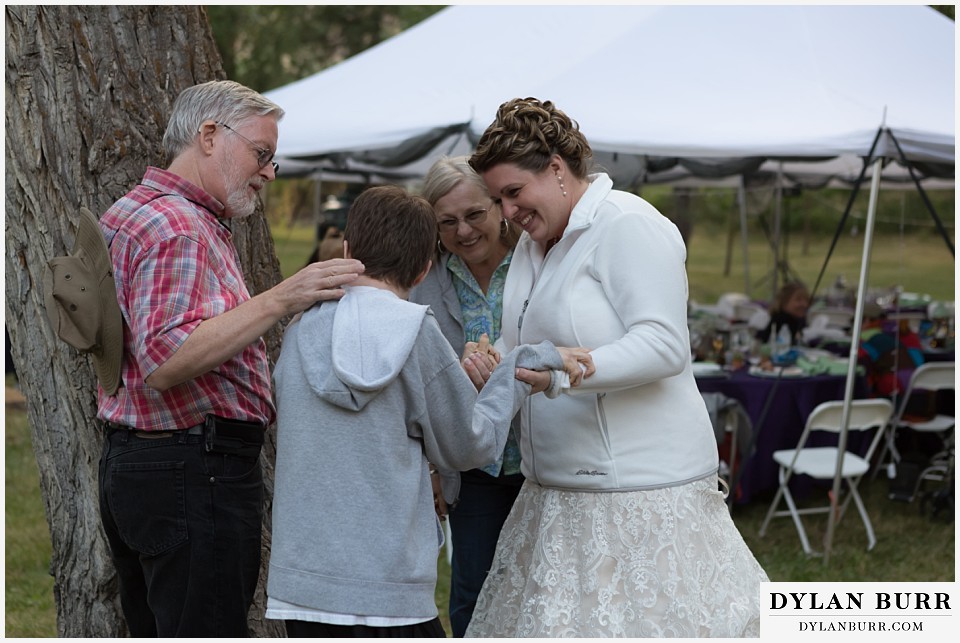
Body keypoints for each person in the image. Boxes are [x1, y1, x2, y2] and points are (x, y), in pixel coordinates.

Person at [464, 97, 769, 637]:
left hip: (638, 493)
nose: (507, 212)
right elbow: (527, 348)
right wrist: (494, 364)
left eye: (514, 193)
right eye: (498, 199)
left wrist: (563, 374)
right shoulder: (534, 250)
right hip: (553, 492)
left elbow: (663, 343)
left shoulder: (627, 224)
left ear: (556, 169)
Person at [96, 79, 365, 637]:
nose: (270, 172)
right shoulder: (180, 227)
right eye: (262, 154)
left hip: (152, 466)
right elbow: (166, 358)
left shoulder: (138, 209)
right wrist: (282, 298)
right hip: (191, 470)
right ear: (210, 135)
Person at [264, 185, 585, 637]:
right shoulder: (416, 332)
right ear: (423, 270)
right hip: (390, 586)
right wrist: (521, 363)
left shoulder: (299, 330)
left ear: (350, 250)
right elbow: (470, 445)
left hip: (304, 582)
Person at [408, 156, 522, 637]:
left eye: (474, 214)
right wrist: (433, 467)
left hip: (540, 455)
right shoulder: (425, 279)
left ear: (499, 207)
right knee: (473, 586)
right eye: (447, 222)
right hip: (473, 464)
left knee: (542, 582)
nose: (464, 231)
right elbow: (412, 377)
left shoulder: (534, 262)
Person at [756, 281, 811, 345]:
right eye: (798, 300)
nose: (804, 304)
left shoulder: (800, 320)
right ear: (784, 302)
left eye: (806, 299)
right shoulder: (781, 320)